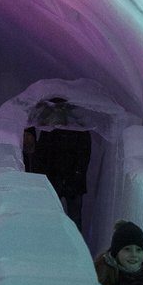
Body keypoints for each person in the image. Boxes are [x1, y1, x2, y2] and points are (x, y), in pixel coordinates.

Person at [33, 98, 92, 231]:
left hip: (71, 183)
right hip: (59, 181)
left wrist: (76, 175)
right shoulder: (50, 132)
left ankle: (74, 246)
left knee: (73, 218)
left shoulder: (78, 131)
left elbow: (83, 157)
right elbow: (41, 156)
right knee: (60, 217)